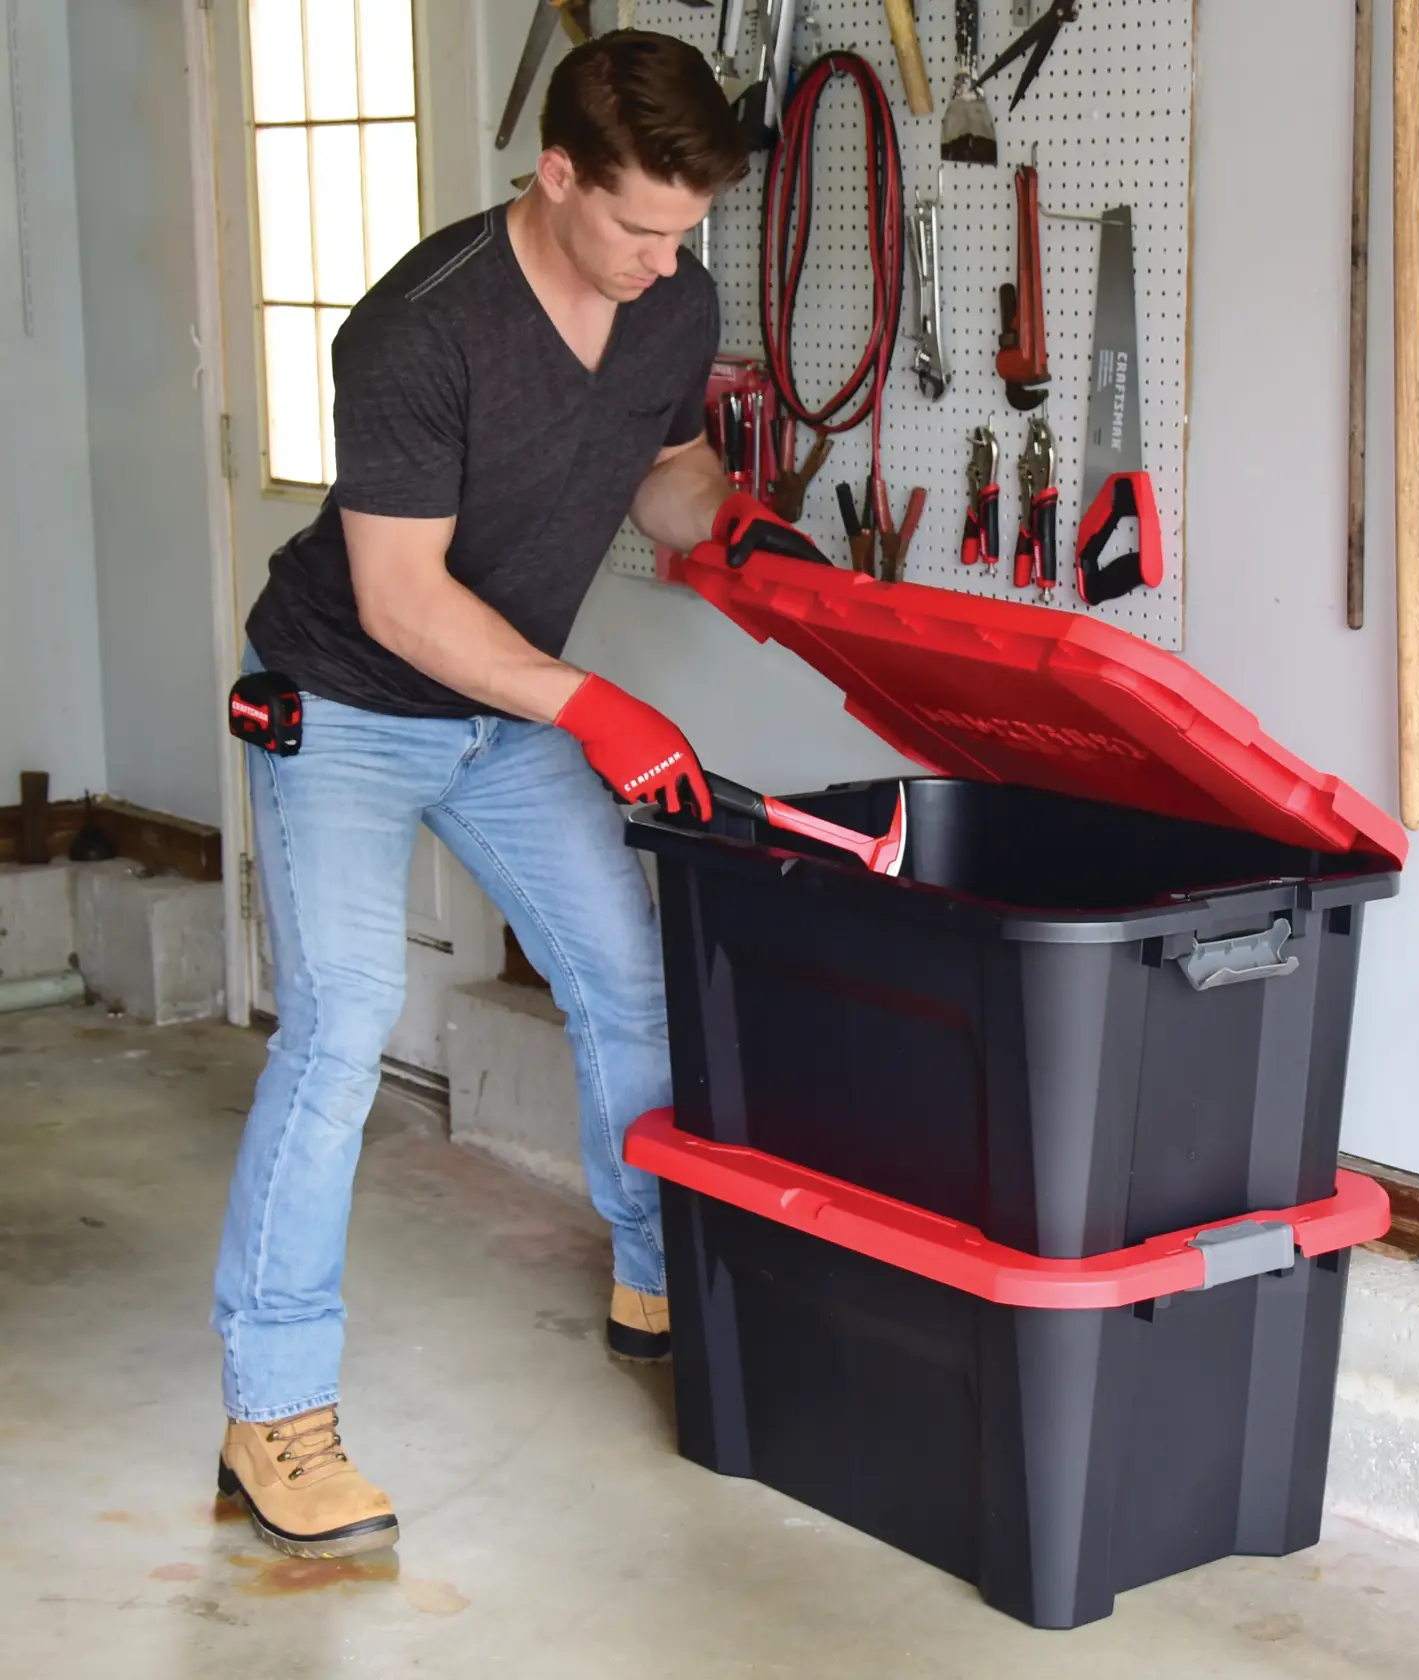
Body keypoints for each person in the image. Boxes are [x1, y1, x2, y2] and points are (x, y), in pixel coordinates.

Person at [211, 31, 825, 1562]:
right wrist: (595, 703)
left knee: (629, 978)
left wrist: (740, 537)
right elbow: (404, 600)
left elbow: (666, 468)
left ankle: (654, 1277)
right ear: (554, 175)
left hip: (499, 708)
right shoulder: (421, 333)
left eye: (683, 233)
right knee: (343, 1024)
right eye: (638, 227)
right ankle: (271, 1413)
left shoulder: (669, 296)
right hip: (348, 706)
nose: (664, 262)